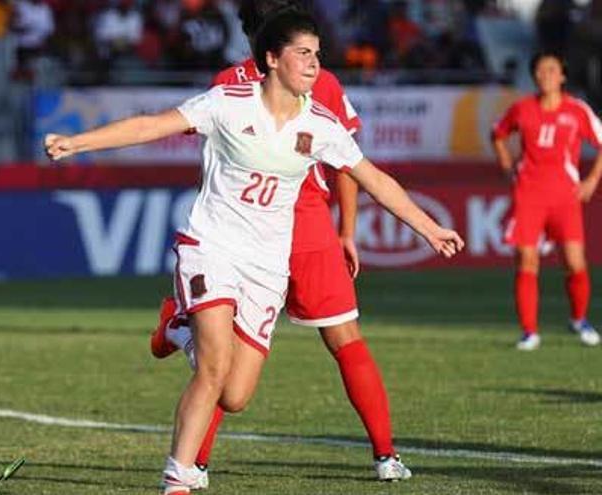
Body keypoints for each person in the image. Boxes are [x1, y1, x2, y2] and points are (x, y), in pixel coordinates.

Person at [45, 12, 463, 494]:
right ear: (271, 58)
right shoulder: (228, 102)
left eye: (317, 53)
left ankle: (179, 329)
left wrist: (430, 228)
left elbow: (375, 180)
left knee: (236, 394)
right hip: (213, 247)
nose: (314, 63)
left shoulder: (320, 124)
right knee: (214, 369)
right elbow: (150, 126)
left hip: (267, 266)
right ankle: (178, 478)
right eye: (303, 53)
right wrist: (78, 142)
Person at [149, 0, 408, 488]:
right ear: (273, 41)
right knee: (338, 341)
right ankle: (385, 456)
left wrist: (346, 229)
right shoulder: (293, 79)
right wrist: (346, 228)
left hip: (292, 228)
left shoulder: (285, 75)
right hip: (287, 227)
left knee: (234, 361)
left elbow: (348, 160)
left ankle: (197, 460)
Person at [492, 51, 602, 351]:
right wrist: (505, 163)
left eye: (552, 70)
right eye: (540, 70)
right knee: (527, 261)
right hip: (528, 193)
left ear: (562, 76)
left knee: (575, 262)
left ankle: (579, 319)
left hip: (565, 196)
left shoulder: (577, 111)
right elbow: (497, 132)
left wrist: (591, 180)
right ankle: (529, 331)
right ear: (534, 76)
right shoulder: (522, 109)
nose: (546, 75)